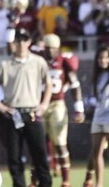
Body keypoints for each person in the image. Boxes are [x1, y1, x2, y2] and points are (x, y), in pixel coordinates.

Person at [0, 27, 53, 187]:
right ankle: (19, 184)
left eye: (24, 39)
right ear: (14, 42)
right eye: (18, 40)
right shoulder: (4, 64)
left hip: (32, 113)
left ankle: (45, 184)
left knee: (40, 154)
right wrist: (0, 106)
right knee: (14, 157)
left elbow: (48, 84)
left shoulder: (38, 62)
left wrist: (44, 105)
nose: (21, 43)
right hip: (12, 114)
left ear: (29, 42)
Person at [38, 34, 84, 187]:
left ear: (58, 48)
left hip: (57, 103)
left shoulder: (64, 61)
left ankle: (65, 180)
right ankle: (36, 178)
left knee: (60, 142)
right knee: (38, 143)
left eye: (53, 48)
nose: (50, 51)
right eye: (47, 48)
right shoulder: (37, 60)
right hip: (39, 105)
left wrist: (79, 109)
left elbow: (75, 85)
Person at [82, 45, 109, 187]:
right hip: (98, 116)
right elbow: (95, 96)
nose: (103, 60)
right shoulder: (97, 75)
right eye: (100, 58)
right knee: (96, 152)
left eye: (106, 57)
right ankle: (98, 184)